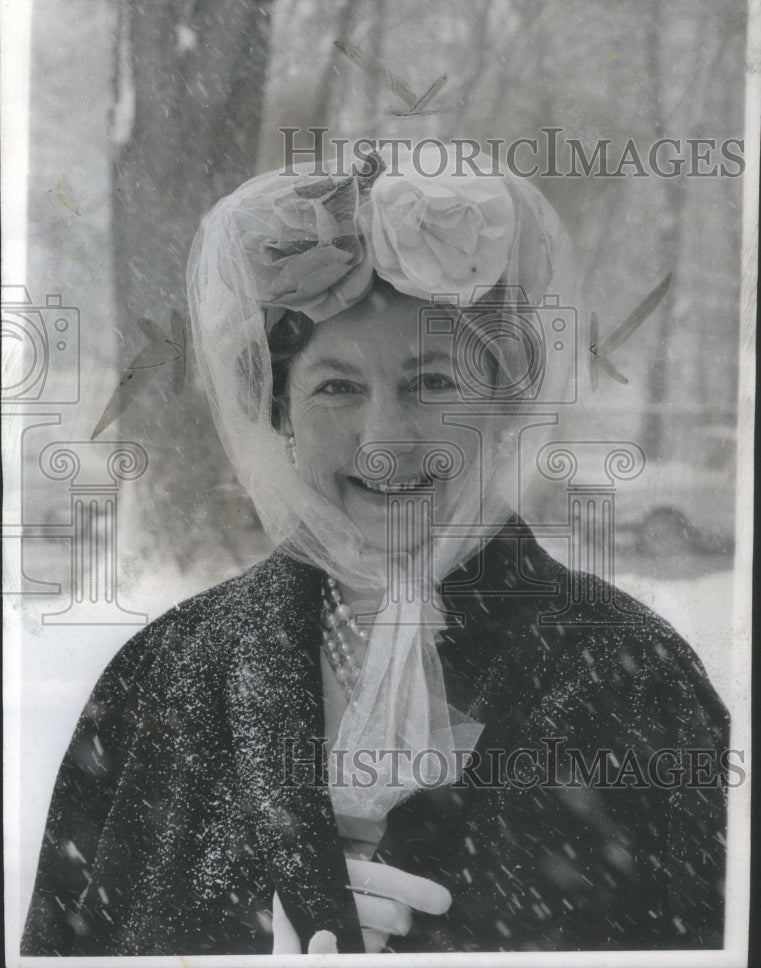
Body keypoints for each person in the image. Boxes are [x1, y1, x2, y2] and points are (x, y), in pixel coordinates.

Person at [22, 144, 728, 956]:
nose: (385, 439)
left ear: (503, 401)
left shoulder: (627, 673)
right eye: (336, 387)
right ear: (280, 412)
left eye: (431, 383)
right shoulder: (169, 673)